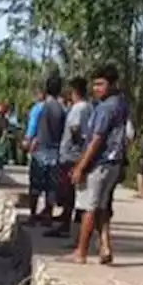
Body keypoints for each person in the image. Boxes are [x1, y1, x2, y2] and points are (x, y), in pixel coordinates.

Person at [70, 64, 129, 265]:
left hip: (101, 162)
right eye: (94, 84)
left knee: (90, 207)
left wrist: (80, 167)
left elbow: (96, 140)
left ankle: (81, 252)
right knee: (102, 207)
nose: (96, 89)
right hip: (114, 162)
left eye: (101, 84)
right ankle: (105, 245)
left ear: (111, 85)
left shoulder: (105, 108)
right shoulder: (121, 104)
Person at [47, 77, 92, 238]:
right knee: (72, 192)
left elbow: (75, 128)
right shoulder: (88, 107)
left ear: (74, 91)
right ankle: (70, 223)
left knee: (68, 192)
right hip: (76, 154)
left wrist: (78, 145)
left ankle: (66, 224)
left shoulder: (78, 108)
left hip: (71, 156)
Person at [24, 76, 67, 226]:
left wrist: (27, 142)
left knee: (35, 185)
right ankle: (48, 214)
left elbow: (31, 128)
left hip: (40, 150)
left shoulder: (39, 107)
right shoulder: (62, 109)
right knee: (51, 186)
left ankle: (33, 214)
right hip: (56, 151)